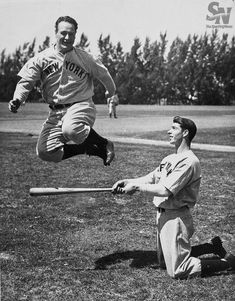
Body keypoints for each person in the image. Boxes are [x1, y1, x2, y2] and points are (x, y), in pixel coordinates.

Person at [112, 116, 235, 279]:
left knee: (178, 270)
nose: (168, 131)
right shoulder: (169, 158)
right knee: (164, 262)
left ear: (185, 133)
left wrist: (135, 187)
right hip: (162, 215)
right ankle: (210, 246)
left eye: (173, 128)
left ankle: (228, 263)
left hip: (176, 217)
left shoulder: (189, 161)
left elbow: (165, 190)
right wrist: (128, 181)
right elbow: (152, 177)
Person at [8, 16, 116, 166]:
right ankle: (86, 148)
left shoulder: (84, 58)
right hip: (56, 112)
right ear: (56, 33)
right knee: (45, 151)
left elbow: (104, 75)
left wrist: (110, 92)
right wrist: (18, 98)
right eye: (63, 33)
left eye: (71, 34)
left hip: (81, 106)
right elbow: (26, 81)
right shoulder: (42, 58)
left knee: (71, 129)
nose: (67, 37)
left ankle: (104, 144)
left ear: (75, 35)